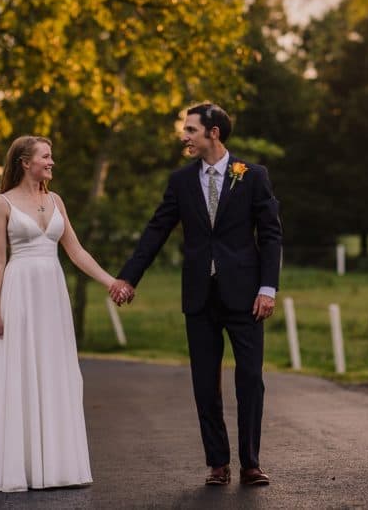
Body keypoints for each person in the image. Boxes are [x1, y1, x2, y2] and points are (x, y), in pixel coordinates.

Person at [113, 103, 282, 487]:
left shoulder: (253, 176)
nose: (184, 136)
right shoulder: (180, 181)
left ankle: (251, 463)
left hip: (246, 298)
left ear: (214, 133)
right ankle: (218, 463)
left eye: (190, 130)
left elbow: (271, 235)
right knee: (205, 382)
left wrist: (267, 288)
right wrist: (128, 278)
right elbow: (156, 231)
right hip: (199, 298)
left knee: (250, 379)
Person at [0, 135, 130, 492]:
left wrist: (112, 282)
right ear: (25, 162)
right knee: (21, 372)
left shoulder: (56, 200)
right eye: (46, 157)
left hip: (52, 294)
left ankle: (58, 466)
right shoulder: (2, 204)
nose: (52, 162)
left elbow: (75, 251)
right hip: (19, 293)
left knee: (54, 369)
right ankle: (22, 468)